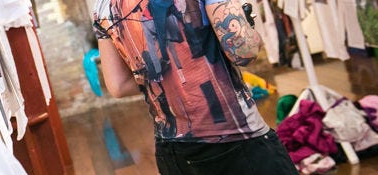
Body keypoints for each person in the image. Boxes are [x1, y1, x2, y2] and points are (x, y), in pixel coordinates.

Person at [92, 0, 298, 174]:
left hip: (171, 150)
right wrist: (251, 30)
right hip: (237, 140)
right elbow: (244, 51)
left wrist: (167, 79)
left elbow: (118, 85)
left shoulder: (102, 5)